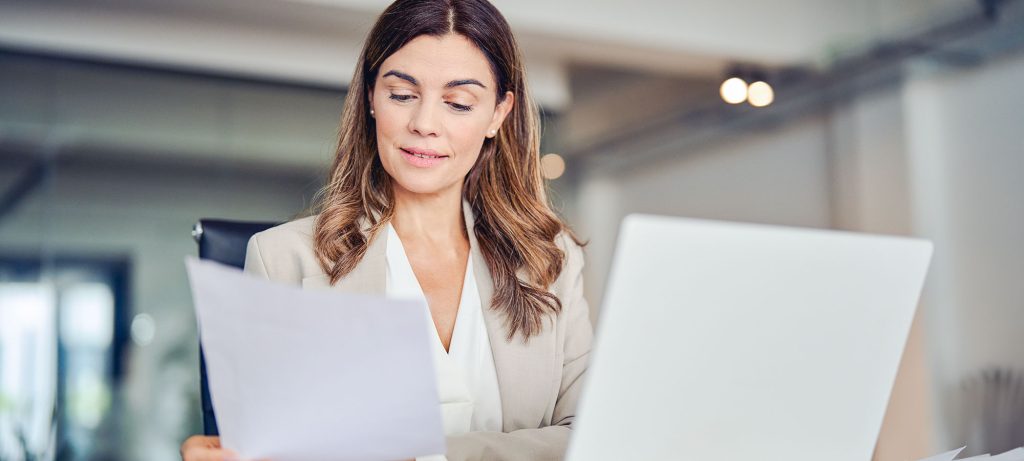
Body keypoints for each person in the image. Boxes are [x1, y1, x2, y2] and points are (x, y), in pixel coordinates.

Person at [180, 0, 591, 459]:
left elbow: (589, 436)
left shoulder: (550, 259)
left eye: (458, 103)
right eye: (401, 95)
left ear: (498, 113)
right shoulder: (282, 258)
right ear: (372, 99)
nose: (424, 124)